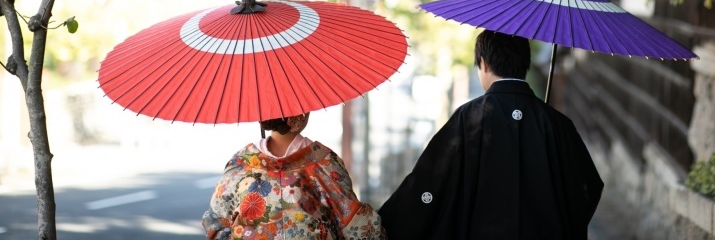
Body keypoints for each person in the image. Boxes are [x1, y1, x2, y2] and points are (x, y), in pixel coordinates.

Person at [378, 30, 604, 239]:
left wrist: (383, 224)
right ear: (525, 64)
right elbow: (588, 185)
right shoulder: (557, 123)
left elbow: (430, 182)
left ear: (483, 64)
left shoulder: (469, 118)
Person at [202, 112, 386, 240]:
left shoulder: (241, 164)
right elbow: (354, 221)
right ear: (302, 116)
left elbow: (215, 222)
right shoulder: (323, 163)